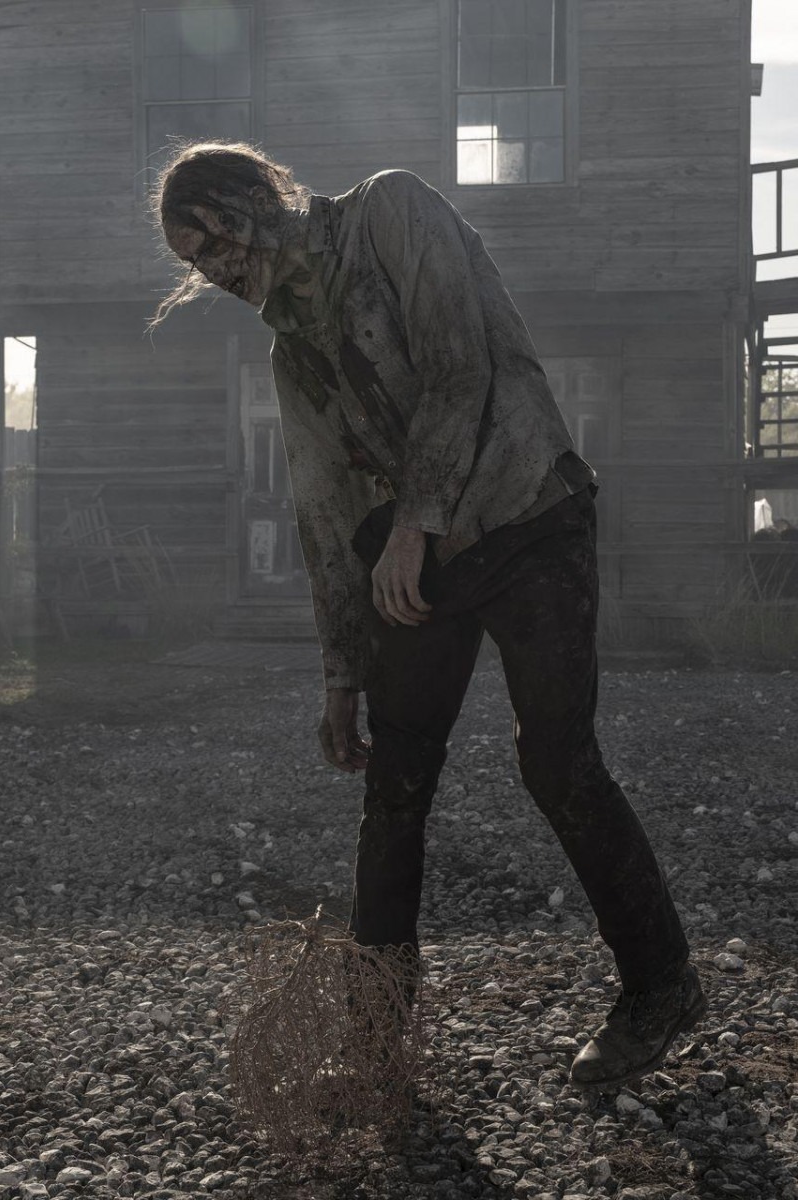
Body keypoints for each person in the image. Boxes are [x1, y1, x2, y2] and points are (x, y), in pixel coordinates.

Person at [154, 141, 706, 1088]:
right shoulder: (293, 352)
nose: (215, 271)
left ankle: (662, 987)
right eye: (196, 263)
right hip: (421, 562)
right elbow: (324, 513)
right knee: (395, 780)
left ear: (255, 198)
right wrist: (341, 675)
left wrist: (414, 522)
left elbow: (461, 367)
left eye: (214, 241)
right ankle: (376, 1036)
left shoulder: (392, 212)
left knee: (558, 763)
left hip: (529, 514)